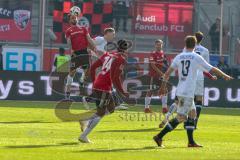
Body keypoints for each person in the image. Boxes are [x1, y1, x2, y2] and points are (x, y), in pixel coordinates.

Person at [153, 35, 233, 148]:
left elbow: (167, 73)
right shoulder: (196, 57)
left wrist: (163, 86)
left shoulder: (179, 57)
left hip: (181, 90)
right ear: (195, 45)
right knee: (181, 117)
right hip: (187, 92)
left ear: (185, 44)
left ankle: (191, 142)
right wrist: (224, 75)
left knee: (192, 114)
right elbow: (212, 68)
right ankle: (159, 136)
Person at [158, 32, 217, 129]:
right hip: (197, 78)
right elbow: (206, 67)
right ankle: (193, 123)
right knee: (198, 100)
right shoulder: (205, 51)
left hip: (184, 79)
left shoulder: (185, 50)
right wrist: (211, 76)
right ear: (201, 40)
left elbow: (181, 63)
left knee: (178, 101)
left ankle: (167, 118)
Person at [78, 39, 132, 143]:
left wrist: (94, 82)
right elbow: (116, 78)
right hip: (104, 87)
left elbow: (93, 67)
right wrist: (123, 91)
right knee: (101, 113)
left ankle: (85, 120)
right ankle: (83, 136)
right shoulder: (121, 59)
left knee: (111, 108)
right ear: (126, 50)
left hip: (100, 83)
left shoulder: (108, 54)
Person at [65, 8, 96, 99]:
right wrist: (71, 50)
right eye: (72, 19)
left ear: (77, 19)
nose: (74, 19)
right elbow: (69, 42)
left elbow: (89, 39)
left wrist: (95, 48)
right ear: (70, 21)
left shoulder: (83, 29)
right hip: (76, 53)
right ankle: (67, 94)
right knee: (71, 73)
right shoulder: (68, 31)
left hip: (84, 52)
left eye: (75, 18)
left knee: (87, 71)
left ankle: (81, 80)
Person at [144, 39, 168, 114]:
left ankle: (164, 108)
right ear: (155, 45)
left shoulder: (162, 53)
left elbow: (164, 63)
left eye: (160, 44)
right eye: (157, 44)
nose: (159, 46)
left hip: (161, 75)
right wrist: (161, 73)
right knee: (150, 90)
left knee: (165, 90)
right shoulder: (153, 53)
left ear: (162, 45)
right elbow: (153, 65)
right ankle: (146, 108)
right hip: (153, 75)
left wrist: (165, 72)